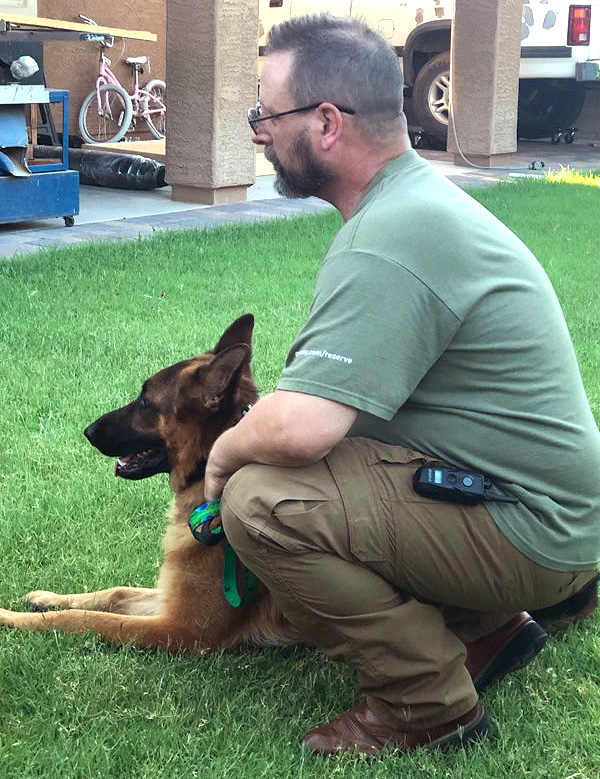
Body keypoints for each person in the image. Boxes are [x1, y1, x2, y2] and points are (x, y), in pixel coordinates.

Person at [204, 13, 600, 757]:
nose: (257, 132)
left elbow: (302, 426)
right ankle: (480, 629)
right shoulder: (410, 205)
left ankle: (427, 702)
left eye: (265, 113)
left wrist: (220, 458)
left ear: (326, 123)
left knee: (259, 502)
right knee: (299, 476)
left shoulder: (395, 233)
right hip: (536, 507)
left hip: (537, 528)